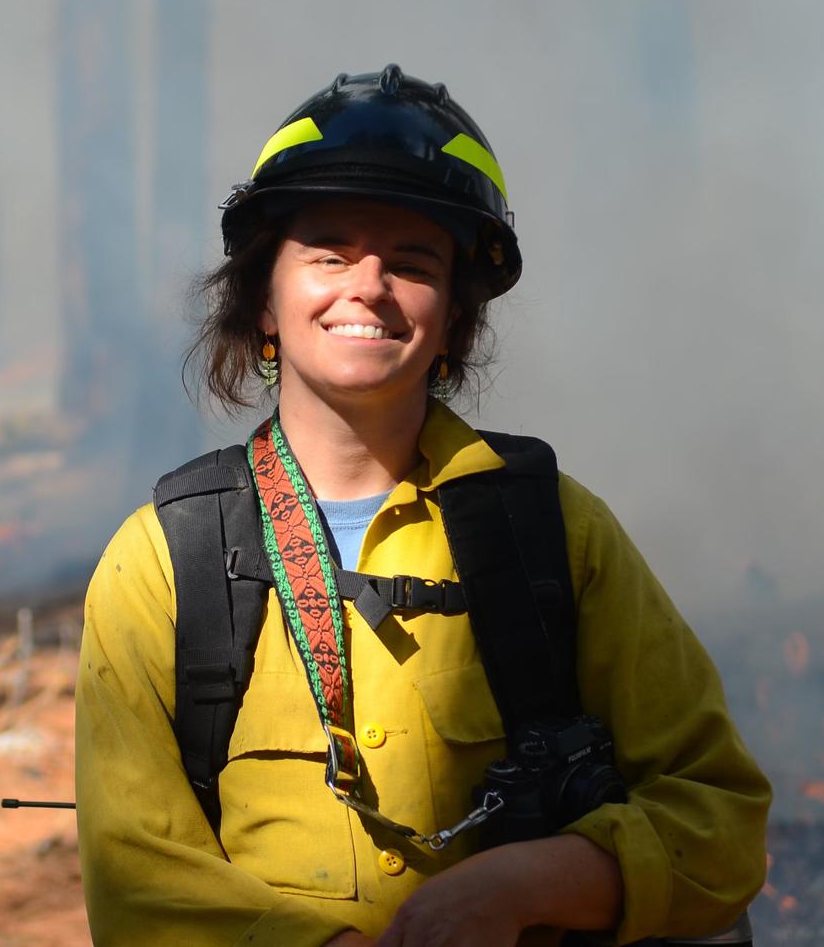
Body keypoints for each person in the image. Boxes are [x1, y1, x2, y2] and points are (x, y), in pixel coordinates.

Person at [74, 65, 771, 946]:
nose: (367, 286)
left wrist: (536, 882)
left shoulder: (555, 532)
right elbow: (137, 876)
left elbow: (719, 812)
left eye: (411, 263)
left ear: (453, 322)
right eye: (328, 253)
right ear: (264, 297)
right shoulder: (164, 563)